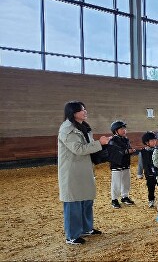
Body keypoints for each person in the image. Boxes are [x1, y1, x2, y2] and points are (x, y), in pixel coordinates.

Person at [58, 101, 110, 245]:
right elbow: (78, 149)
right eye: (82, 110)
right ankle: (72, 235)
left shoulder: (83, 127)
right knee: (73, 202)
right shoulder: (67, 129)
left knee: (86, 199)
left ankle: (86, 228)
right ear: (73, 113)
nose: (85, 112)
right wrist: (100, 143)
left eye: (85, 109)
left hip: (84, 168)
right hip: (72, 171)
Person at [108, 121, 137, 209]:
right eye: (122, 129)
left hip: (125, 163)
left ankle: (125, 196)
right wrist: (127, 151)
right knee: (116, 183)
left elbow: (127, 150)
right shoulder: (113, 141)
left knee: (126, 182)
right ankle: (114, 199)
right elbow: (115, 152)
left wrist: (131, 151)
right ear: (116, 131)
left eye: (124, 129)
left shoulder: (126, 139)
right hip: (116, 165)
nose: (124, 130)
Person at [137, 131, 158, 208]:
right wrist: (139, 173)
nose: (154, 142)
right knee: (150, 188)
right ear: (146, 142)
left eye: (155, 140)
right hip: (149, 173)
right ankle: (151, 200)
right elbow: (140, 164)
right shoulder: (142, 152)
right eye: (152, 140)